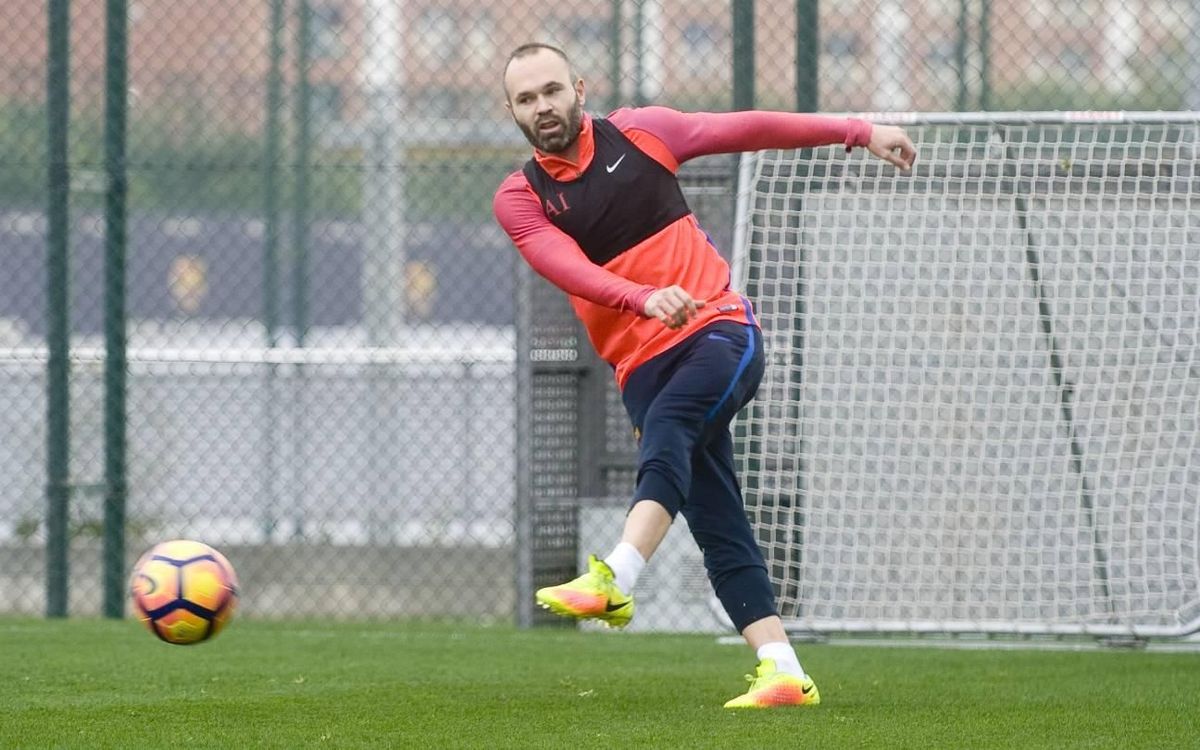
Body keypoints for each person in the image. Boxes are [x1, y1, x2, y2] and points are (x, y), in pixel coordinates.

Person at [493, 42, 916, 709]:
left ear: (578, 87)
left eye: (551, 90)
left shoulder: (643, 132)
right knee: (718, 520)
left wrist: (857, 131)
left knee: (671, 424)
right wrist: (639, 297)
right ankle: (781, 670)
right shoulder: (521, 198)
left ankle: (617, 575)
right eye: (527, 99)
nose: (543, 106)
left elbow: (747, 128)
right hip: (641, 369)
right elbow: (564, 266)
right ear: (512, 110)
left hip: (719, 333)